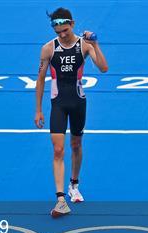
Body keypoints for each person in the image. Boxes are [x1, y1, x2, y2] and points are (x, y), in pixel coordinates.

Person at [34, 7, 108, 218]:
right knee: (58, 150)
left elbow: (103, 68)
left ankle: (74, 184)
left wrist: (95, 44)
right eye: (58, 32)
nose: (62, 34)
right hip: (58, 104)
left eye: (65, 30)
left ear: (72, 24)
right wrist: (38, 109)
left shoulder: (84, 45)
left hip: (78, 103)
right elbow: (40, 80)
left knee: (76, 145)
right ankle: (60, 200)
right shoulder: (48, 49)